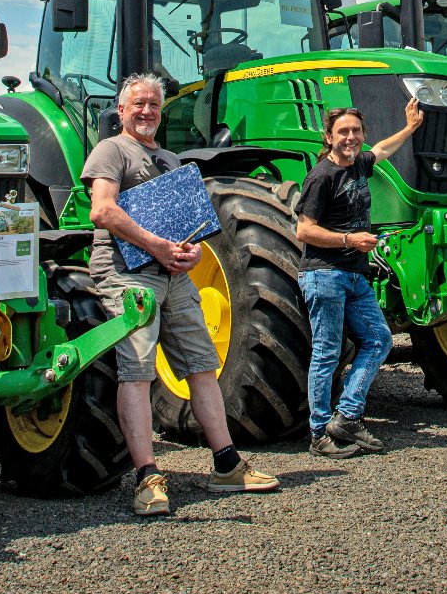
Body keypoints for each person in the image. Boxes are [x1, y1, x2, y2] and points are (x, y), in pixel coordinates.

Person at [84, 73, 279, 516]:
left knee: (202, 364)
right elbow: (102, 210)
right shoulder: (111, 150)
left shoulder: (170, 159)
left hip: (173, 274)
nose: (147, 111)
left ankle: (227, 465)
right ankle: (147, 478)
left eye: (154, 104)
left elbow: (184, 225)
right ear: (121, 110)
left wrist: (189, 253)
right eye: (138, 104)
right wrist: (157, 246)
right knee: (137, 370)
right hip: (127, 273)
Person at [295, 99, 423, 456]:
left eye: (356, 131)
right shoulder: (321, 176)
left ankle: (348, 416)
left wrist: (409, 128)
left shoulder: (359, 164)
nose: (350, 137)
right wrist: (349, 240)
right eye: (343, 132)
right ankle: (319, 433)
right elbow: (303, 230)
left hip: (354, 274)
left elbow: (382, 150)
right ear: (329, 137)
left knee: (379, 340)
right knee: (327, 353)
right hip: (324, 274)